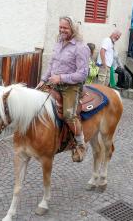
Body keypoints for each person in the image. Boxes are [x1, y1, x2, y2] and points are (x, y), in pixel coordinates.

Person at [36, 16, 89, 162]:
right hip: (53, 83)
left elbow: (83, 74)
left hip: (71, 87)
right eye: (60, 27)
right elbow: (52, 64)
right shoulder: (59, 42)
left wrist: (61, 78)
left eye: (65, 28)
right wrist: (43, 80)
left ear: (73, 28)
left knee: (68, 115)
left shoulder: (80, 47)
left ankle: (80, 143)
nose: (62, 30)